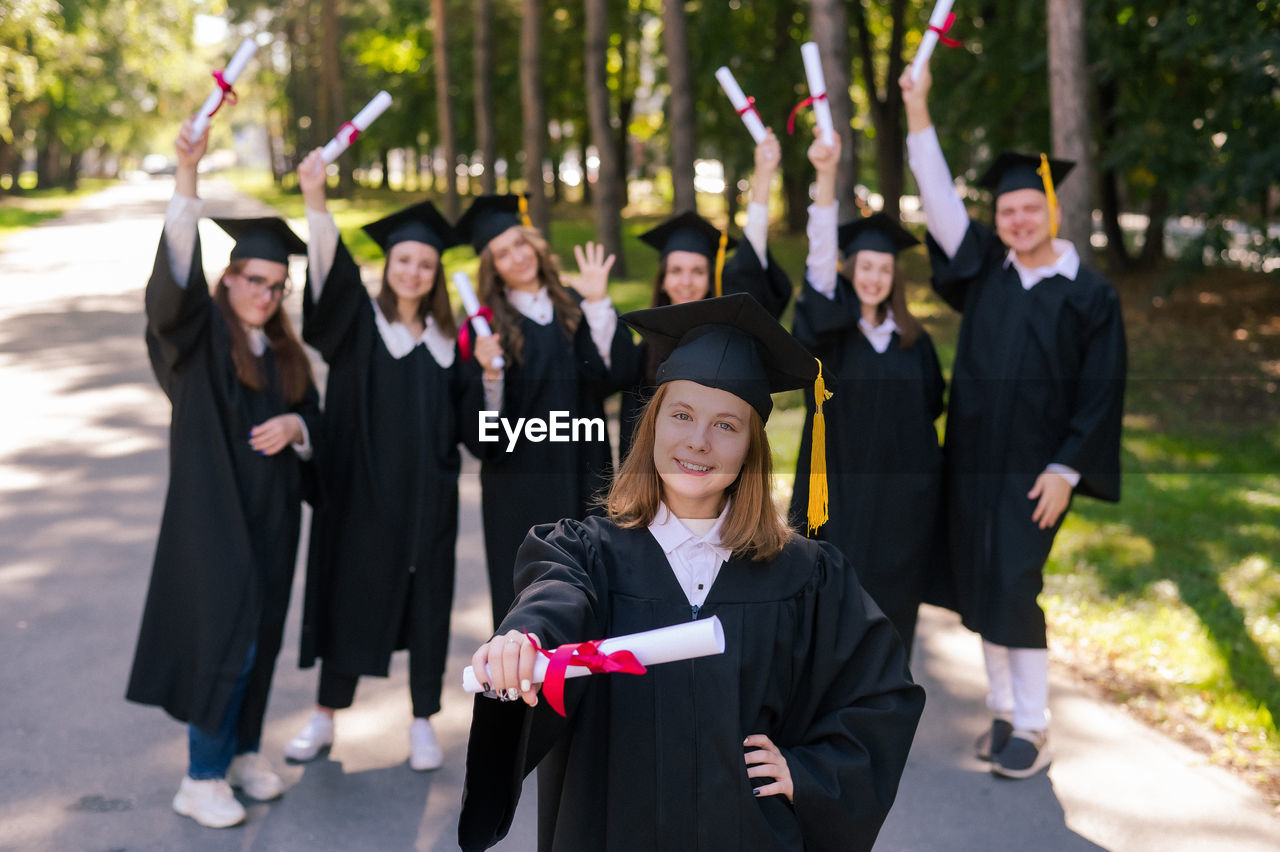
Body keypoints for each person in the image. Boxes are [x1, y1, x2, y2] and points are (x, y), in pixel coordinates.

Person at [458, 293, 925, 852]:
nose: (698, 441)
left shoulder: (807, 576)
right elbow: (555, 599)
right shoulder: (587, 554)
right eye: (681, 415)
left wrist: (813, 774)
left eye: (727, 425)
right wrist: (524, 640)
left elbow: (880, 696)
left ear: (752, 446)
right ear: (652, 425)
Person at [901, 62, 1127, 779]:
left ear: (1052, 211)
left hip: (1037, 472)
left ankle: (1032, 722)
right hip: (972, 461)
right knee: (978, 580)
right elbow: (938, 202)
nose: (1017, 220)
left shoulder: (1088, 294)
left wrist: (1067, 469)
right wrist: (917, 110)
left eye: (1029, 209)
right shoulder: (986, 273)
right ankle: (1003, 711)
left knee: (1013, 584)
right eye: (1006, 212)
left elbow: (1102, 391)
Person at [126, 120, 320, 828]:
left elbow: (317, 422)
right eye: (254, 280)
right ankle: (200, 776)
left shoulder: (284, 354)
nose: (266, 294)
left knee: (260, 640)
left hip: (272, 524)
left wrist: (299, 427)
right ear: (229, 277)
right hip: (213, 526)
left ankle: (239, 754)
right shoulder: (199, 342)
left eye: (277, 285)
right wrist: (188, 178)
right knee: (225, 644)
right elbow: (169, 294)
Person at [282, 152, 498, 771]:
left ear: (436, 274)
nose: (414, 271)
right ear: (389, 266)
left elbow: (473, 432)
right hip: (360, 496)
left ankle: (423, 720)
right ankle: (324, 717)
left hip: (429, 503)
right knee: (351, 597)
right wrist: (316, 200)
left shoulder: (447, 345)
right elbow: (328, 276)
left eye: (425, 264)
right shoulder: (357, 323)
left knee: (428, 605)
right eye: (404, 260)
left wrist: (486, 377)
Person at [788, 129, 946, 658]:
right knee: (830, 608)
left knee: (892, 618)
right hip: (840, 496)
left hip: (903, 503)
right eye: (865, 267)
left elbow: (931, 411)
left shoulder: (914, 343)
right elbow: (817, 259)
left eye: (884, 268)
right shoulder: (830, 335)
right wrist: (826, 175)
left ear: (894, 276)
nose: (874, 277)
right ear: (850, 270)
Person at [455, 194, 634, 629]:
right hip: (519, 487)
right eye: (502, 252)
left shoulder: (575, 304)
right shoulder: (484, 330)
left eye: (521, 243)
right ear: (491, 266)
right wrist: (490, 375)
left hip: (582, 470)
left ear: (535, 243)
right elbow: (483, 439)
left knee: (592, 593)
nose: (517, 257)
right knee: (528, 606)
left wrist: (598, 304)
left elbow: (614, 375)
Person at [618, 131, 792, 455]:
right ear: (663, 280)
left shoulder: (728, 339)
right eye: (676, 271)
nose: (686, 281)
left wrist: (764, 175)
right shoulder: (644, 352)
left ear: (711, 279)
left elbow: (751, 261)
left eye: (698, 271)